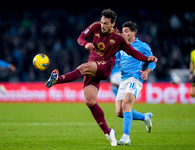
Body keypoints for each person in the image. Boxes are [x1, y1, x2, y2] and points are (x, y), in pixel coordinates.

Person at [45, 9, 158, 146]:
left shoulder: (119, 38)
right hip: (94, 67)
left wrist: (147, 59)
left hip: (105, 67)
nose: (102, 25)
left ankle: (56, 80)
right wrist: (85, 43)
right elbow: (80, 37)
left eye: (106, 23)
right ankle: (108, 132)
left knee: (83, 67)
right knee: (90, 102)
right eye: (102, 22)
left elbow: (134, 53)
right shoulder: (95, 26)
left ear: (113, 24)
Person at [115, 21, 156, 145]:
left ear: (133, 33)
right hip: (123, 80)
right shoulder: (121, 47)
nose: (124, 33)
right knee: (119, 112)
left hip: (135, 78)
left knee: (127, 104)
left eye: (126, 31)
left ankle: (126, 137)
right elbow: (116, 60)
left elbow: (153, 61)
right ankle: (145, 117)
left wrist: (147, 71)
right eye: (123, 31)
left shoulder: (142, 46)